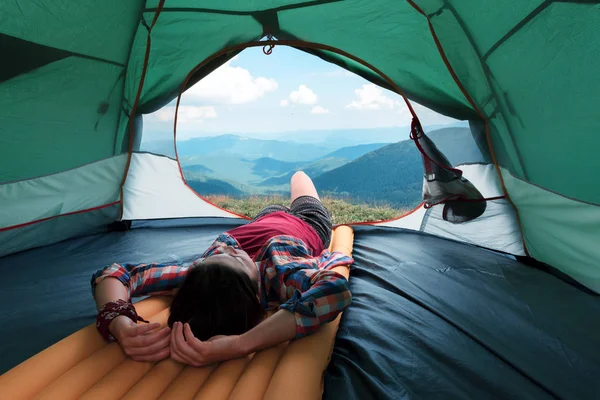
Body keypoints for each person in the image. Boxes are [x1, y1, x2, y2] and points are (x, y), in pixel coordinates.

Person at [91, 171, 353, 366]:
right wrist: (240, 345)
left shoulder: (200, 276)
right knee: (299, 177)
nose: (228, 250)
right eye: (238, 260)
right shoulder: (281, 277)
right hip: (305, 222)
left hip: (261, 219)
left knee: (288, 185)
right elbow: (334, 290)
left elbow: (115, 273)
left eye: (217, 255)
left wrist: (118, 322)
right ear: (253, 288)